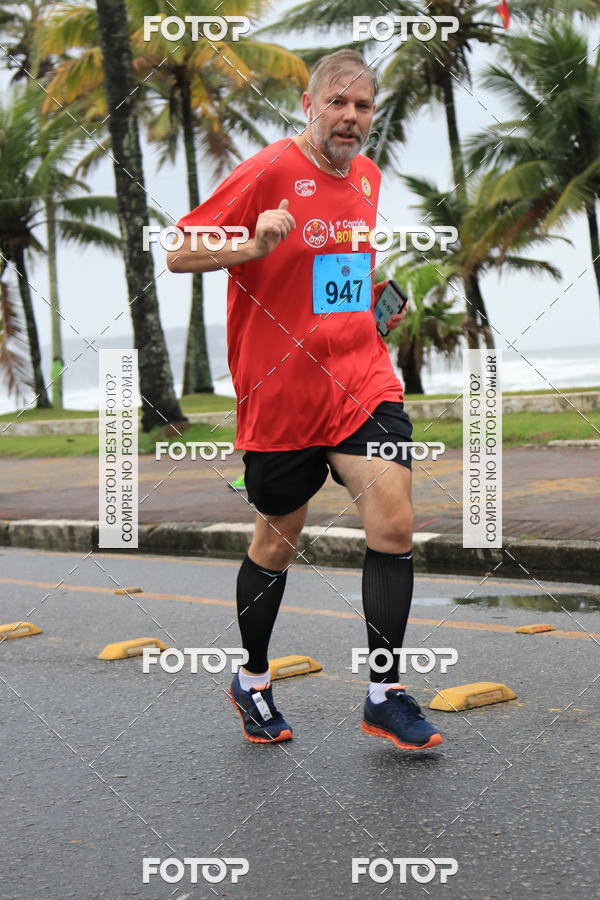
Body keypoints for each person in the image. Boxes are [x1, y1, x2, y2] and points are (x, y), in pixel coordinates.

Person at [167, 49, 442, 751]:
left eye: (363, 106)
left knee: (393, 522)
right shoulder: (267, 171)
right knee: (276, 542)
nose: (350, 118)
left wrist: (374, 301)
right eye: (337, 103)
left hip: (360, 383)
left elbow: (344, 263)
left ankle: (385, 693)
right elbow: (179, 250)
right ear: (309, 104)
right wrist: (249, 245)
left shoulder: (370, 177)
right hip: (281, 395)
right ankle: (252, 680)